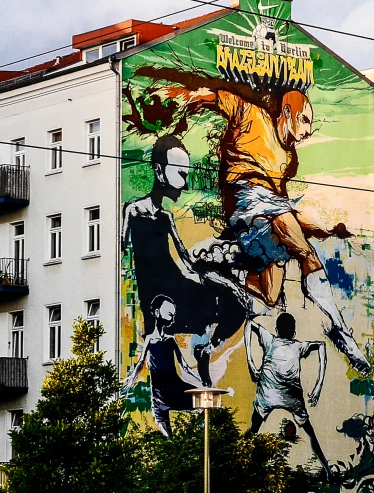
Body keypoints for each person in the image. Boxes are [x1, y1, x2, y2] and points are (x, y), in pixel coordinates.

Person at [163, 85, 369, 374]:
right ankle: (340, 331)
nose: (309, 131)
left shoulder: (286, 159)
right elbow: (217, 97)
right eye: (306, 120)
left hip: (258, 215)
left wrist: (321, 230)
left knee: (267, 298)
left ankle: (221, 277)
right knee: (306, 255)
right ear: (287, 113)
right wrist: (184, 97)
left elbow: (283, 209)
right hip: (246, 197)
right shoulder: (254, 116)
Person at [122, 135, 250, 386]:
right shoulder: (132, 210)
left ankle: (205, 352)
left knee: (233, 305)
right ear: (159, 172)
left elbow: (187, 261)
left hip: (175, 284)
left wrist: (228, 282)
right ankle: (200, 359)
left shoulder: (167, 217)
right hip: (157, 293)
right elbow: (122, 255)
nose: (186, 181)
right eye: (180, 173)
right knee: (205, 312)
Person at [245, 313, 330, 478]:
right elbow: (321, 345)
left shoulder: (269, 340)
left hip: (267, 395)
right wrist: (318, 386)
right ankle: (328, 470)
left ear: (276, 330)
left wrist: (251, 363)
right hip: (290, 397)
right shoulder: (298, 347)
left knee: (253, 429)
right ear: (294, 332)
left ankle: (239, 461)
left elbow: (249, 324)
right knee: (311, 434)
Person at [126, 295, 202, 438]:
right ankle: (180, 443)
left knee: (203, 402)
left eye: (172, 315)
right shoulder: (149, 339)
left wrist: (200, 381)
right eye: (169, 314)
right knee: (168, 437)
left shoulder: (170, 340)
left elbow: (183, 365)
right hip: (159, 395)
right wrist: (131, 380)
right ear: (156, 313)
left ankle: (187, 434)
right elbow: (141, 362)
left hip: (174, 388)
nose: (171, 318)